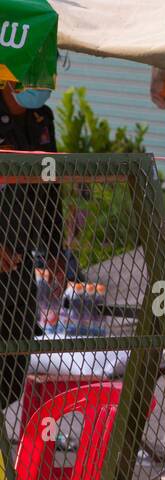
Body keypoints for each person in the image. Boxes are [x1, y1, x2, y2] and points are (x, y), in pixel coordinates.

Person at [0, 80, 64, 412]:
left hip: (21, 259)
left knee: (14, 367)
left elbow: (49, 189)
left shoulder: (42, 117)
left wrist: (56, 251)